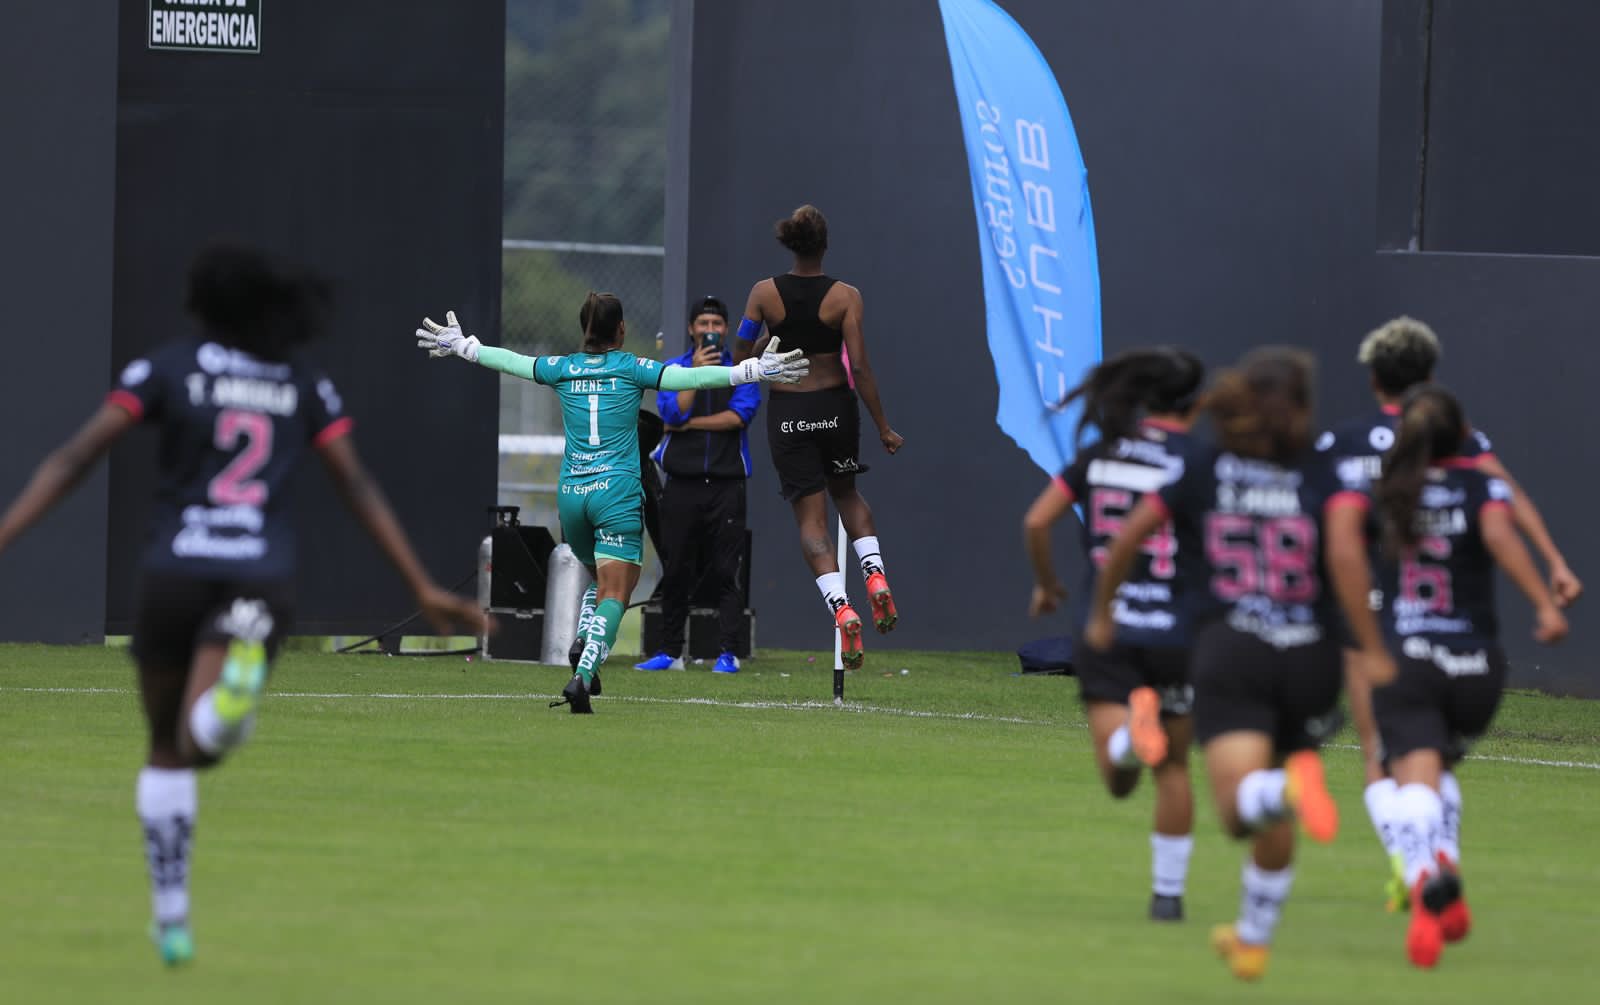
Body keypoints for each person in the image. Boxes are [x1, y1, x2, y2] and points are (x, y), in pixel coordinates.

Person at [0, 245, 486, 966]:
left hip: (174, 571)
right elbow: (357, 486)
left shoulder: (167, 369)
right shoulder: (300, 382)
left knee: (167, 748)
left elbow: (76, 457)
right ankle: (229, 703)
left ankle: (171, 917)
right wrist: (420, 584)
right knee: (202, 738)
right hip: (258, 576)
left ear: (202, 305)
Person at [1083, 347, 1394, 982]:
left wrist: (1102, 613)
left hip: (1233, 652)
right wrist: (1371, 646)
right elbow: (1346, 557)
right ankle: (1253, 937)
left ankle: (1283, 791)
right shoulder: (1326, 473)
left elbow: (1130, 536)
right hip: (1310, 657)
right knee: (1273, 793)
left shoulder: (1205, 467)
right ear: (1301, 408)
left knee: (1238, 808)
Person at [415, 293, 808, 712]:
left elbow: (513, 361)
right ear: (620, 329)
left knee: (598, 581)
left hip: (572, 496)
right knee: (617, 593)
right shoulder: (632, 367)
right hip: (616, 493)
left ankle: (586, 640)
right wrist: (754, 370)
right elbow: (692, 378)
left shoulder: (562, 367)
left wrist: (465, 346)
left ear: (584, 328)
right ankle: (583, 674)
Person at [1316, 315, 1582, 911]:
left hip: (1375, 612)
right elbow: (1505, 499)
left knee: (1382, 751)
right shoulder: (1458, 440)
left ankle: (1409, 863)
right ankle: (1428, 862)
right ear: (1432, 375)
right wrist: (1554, 564)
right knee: (1429, 754)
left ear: (1374, 378)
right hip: (1459, 634)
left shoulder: (1346, 442)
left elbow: (1327, 529)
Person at [1022, 347, 1205, 922]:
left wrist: (1048, 585)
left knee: (1120, 781)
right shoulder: (1200, 461)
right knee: (1173, 767)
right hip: (1177, 630)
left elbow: (1036, 521)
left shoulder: (1101, 455)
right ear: (1194, 404)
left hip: (1107, 626)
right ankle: (1168, 897)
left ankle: (1128, 738)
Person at [731, 205, 904, 670]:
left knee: (811, 520)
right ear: (825, 245)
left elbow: (740, 352)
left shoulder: (763, 294)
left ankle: (842, 609)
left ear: (789, 243)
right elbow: (860, 367)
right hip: (836, 409)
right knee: (846, 494)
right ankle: (875, 576)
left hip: (790, 412)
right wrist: (883, 427)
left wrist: (765, 344)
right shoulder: (846, 296)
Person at [635, 295, 759, 674]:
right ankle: (670, 652)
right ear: (691, 329)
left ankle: (728, 653)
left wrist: (689, 426)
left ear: (726, 328)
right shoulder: (674, 369)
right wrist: (695, 375)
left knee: (726, 570)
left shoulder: (740, 369)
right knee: (675, 569)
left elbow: (739, 416)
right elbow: (672, 412)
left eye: (716, 324)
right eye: (703, 324)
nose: (710, 330)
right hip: (681, 483)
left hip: (726, 484)